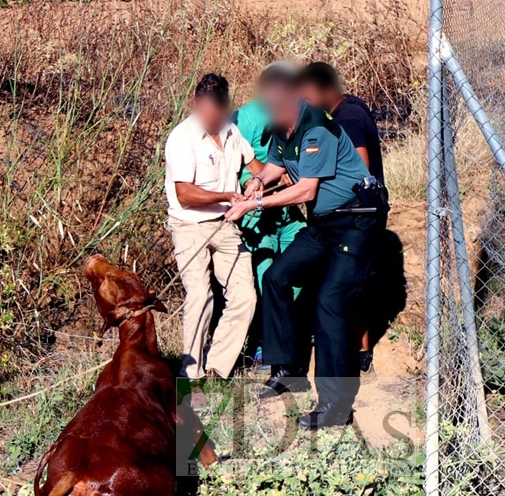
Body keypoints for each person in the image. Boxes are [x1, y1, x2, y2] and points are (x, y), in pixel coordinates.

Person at [224, 64, 384, 430]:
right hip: (325, 224)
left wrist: (255, 205)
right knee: (278, 278)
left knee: (330, 302)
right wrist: (257, 183)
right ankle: (287, 370)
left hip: (356, 221)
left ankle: (335, 406)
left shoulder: (318, 127)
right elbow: (277, 168)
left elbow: (305, 189)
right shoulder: (283, 128)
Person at [164, 73, 260, 391]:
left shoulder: (232, 132)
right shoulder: (181, 137)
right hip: (189, 227)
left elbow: (256, 167)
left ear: (223, 109)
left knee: (245, 295)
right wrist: (226, 196)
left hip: (226, 225)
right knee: (200, 296)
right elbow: (184, 195)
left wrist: (260, 183)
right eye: (201, 109)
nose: (206, 117)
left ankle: (217, 367)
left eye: (212, 112)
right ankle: (189, 375)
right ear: (195, 103)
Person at [299, 61, 385, 373]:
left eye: (307, 94)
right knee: (350, 282)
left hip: (354, 215)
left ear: (325, 90)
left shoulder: (346, 119)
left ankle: (356, 355)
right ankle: (357, 352)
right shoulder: (350, 107)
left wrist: (313, 178)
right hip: (358, 213)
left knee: (343, 284)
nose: (304, 101)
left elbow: (358, 168)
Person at [231, 75, 307, 371]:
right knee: (266, 279)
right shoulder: (245, 120)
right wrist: (263, 179)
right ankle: (264, 346)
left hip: (288, 212)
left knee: (301, 268)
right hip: (257, 214)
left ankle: (285, 334)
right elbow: (235, 164)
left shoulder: (299, 115)